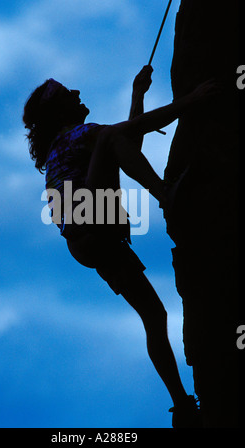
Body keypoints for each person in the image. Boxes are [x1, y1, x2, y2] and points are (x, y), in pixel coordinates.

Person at [23, 65, 216, 427]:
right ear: (61, 111)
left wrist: (138, 94)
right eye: (69, 94)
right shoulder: (74, 136)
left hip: (91, 240)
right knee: (113, 138)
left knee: (155, 316)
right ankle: (165, 195)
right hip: (91, 224)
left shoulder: (74, 146)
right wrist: (190, 101)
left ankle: (182, 406)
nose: (77, 94)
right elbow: (123, 137)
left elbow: (129, 149)